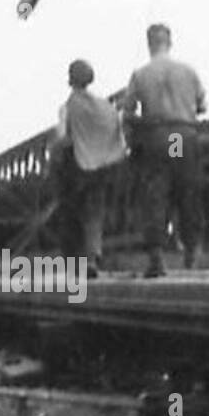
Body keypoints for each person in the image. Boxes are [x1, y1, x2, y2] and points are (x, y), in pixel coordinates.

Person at [124, 23, 208, 276]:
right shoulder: (188, 71)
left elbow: (127, 111)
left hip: (158, 136)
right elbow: (202, 106)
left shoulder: (140, 74)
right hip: (181, 135)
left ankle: (157, 257)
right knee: (186, 191)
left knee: (157, 195)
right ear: (169, 42)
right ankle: (192, 252)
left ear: (149, 44)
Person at [50, 59, 125, 274]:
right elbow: (115, 124)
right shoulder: (104, 106)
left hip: (75, 168)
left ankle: (72, 265)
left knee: (71, 215)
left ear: (70, 79)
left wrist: (54, 153)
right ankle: (92, 258)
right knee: (94, 214)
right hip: (99, 168)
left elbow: (62, 137)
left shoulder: (67, 107)